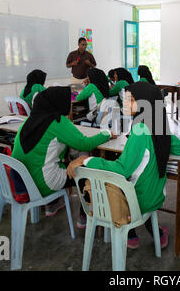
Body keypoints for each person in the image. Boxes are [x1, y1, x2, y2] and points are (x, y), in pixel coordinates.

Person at [67, 81, 180, 248]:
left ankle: (128, 232)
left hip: (137, 200)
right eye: (126, 99)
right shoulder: (157, 125)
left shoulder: (139, 130)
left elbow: (121, 169)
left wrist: (85, 160)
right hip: (156, 195)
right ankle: (154, 233)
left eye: (131, 100)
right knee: (133, 175)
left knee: (102, 180)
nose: (125, 104)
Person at [11, 86, 114, 217]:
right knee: (87, 171)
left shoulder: (28, 120)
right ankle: (85, 215)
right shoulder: (58, 121)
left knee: (60, 162)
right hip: (44, 182)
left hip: (25, 183)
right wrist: (107, 133)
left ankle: (53, 204)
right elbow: (85, 144)